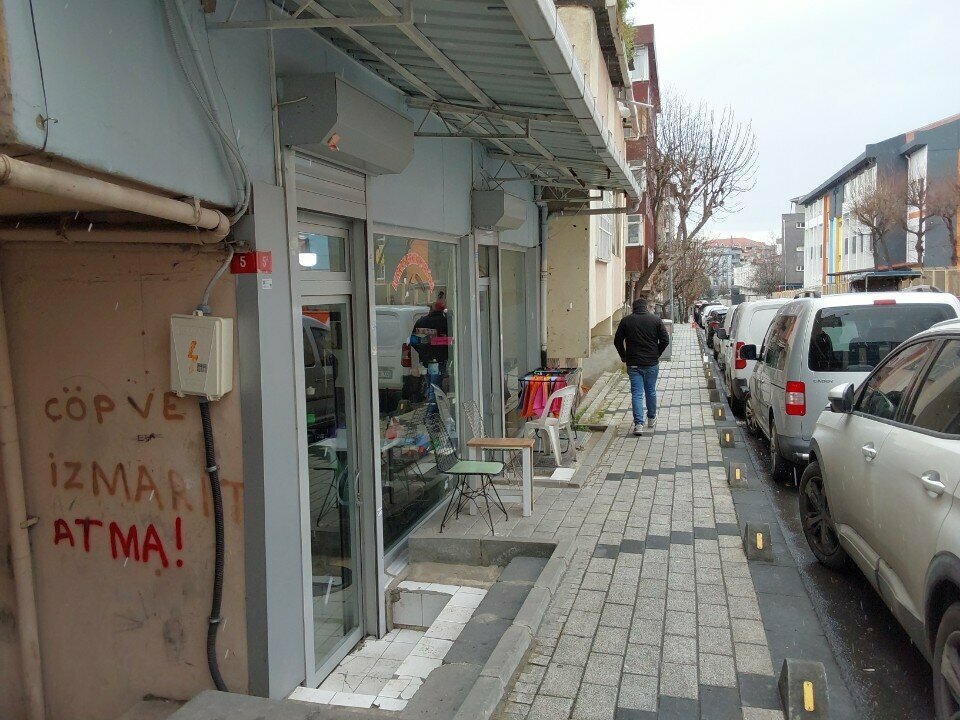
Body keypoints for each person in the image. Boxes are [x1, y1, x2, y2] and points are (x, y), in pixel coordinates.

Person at [614, 298, 670, 436]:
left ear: (633, 308)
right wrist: (657, 353)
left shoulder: (626, 321)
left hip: (633, 363)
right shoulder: (655, 320)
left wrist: (623, 356)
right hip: (651, 363)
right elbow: (665, 340)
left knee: (637, 393)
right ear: (646, 307)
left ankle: (638, 424)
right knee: (650, 390)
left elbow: (617, 341)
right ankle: (651, 419)